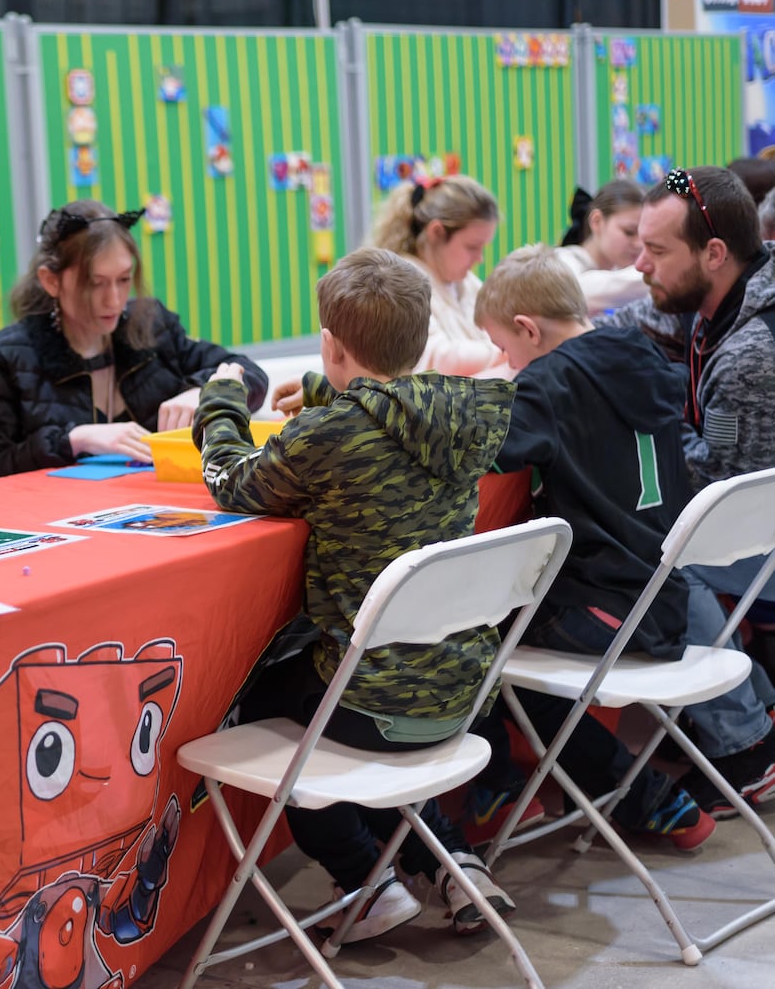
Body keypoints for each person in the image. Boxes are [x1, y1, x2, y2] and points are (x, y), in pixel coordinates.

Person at [194, 247, 515, 939]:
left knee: (269, 698)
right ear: (422, 339)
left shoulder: (326, 435)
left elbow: (231, 482)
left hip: (373, 709)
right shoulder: (462, 415)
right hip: (462, 695)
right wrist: (323, 391)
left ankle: (364, 882)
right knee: (357, 691)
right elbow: (385, 416)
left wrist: (220, 403)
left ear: (331, 344)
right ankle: (453, 862)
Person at [468, 245, 775, 841]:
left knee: (479, 640)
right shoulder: (643, 354)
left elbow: (486, 449)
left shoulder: (547, 386)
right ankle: (640, 794)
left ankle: (608, 794)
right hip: (668, 598)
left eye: (506, 349)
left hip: (611, 612)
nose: (507, 364)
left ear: (529, 329)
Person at [0, 200, 268, 485]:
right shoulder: (3, 360)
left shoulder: (152, 325)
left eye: (124, 279)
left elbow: (249, 373)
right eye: (95, 283)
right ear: (51, 281)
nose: (114, 300)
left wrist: (208, 393)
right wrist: (73, 440)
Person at [611, 165, 775, 675]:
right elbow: (624, 322)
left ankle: (747, 737)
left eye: (657, 252)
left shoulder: (750, 355)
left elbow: (718, 490)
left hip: (763, 537)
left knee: (653, 560)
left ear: (714, 254)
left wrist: (651, 411)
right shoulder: (733, 290)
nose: (639, 265)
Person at [368, 175, 508, 376]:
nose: (480, 258)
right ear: (436, 232)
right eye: (472, 247)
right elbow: (435, 358)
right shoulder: (397, 285)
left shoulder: (466, 283)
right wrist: (511, 350)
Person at [556, 181, 649, 315]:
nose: (639, 243)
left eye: (644, 235)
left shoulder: (619, 270)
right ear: (597, 221)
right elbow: (575, 293)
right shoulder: (561, 262)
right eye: (629, 232)